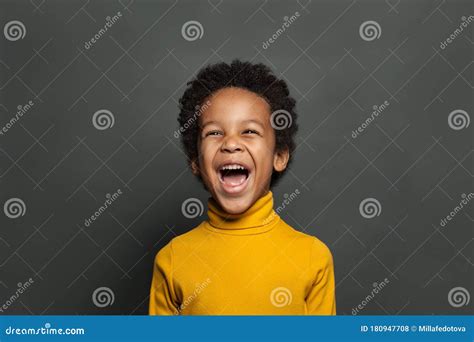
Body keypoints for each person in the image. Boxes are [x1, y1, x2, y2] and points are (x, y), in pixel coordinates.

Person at [149, 60, 336, 315]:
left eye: (249, 131)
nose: (231, 144)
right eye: (214, 133)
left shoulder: (312, 257)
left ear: (278, 156)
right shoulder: (172, 260)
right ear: (196, 161)